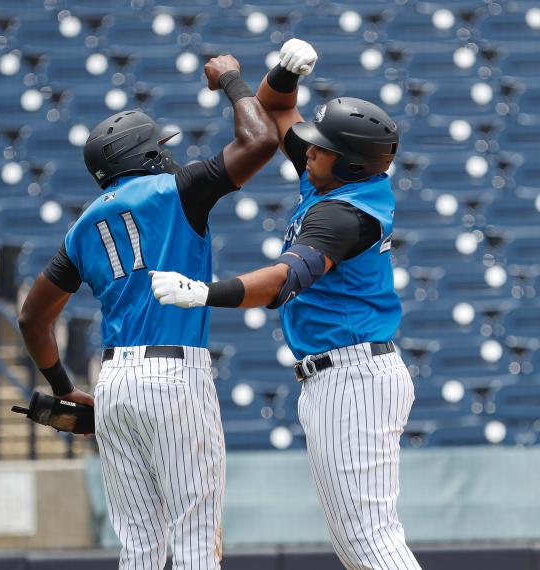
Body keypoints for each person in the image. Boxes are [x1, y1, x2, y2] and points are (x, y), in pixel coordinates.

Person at [150, 39, 422, 570]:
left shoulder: (344, 212)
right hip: (345, 374)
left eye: (320, 147)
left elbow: (283, 282)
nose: (306, 149)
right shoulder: (339, 176)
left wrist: (208, 293)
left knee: (370, 541)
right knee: (361, 541)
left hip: (353, 378)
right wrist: (283, 72)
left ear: (347, 162)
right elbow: (275, 108)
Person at [18, 54, 278, 570]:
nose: (168, 153)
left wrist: (63, 387)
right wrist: (230, 80)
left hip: (114, 381)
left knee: (139, 547)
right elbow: (261, 140)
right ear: (144, 156)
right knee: (196, 542)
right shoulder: (177, 191)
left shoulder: (81, 228)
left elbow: (32, 317)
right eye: (161, 147)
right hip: (175, 376)